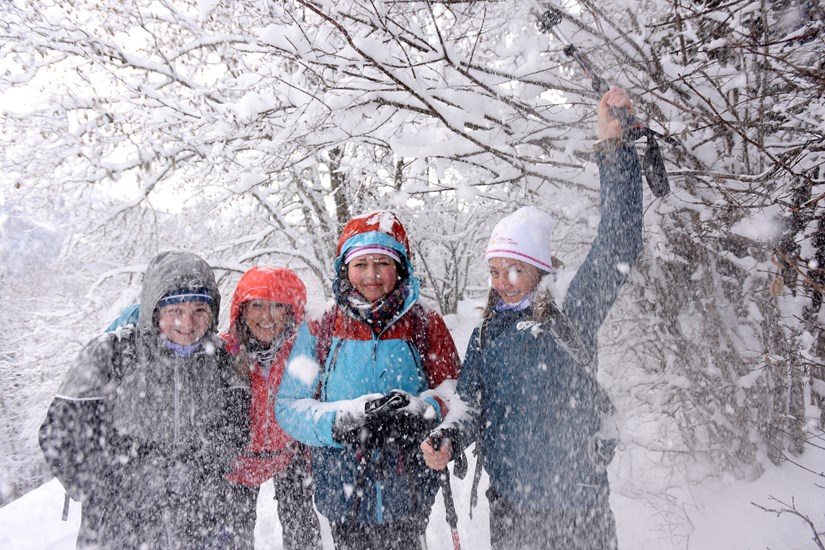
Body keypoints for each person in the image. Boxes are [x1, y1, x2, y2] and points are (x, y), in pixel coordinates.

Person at [420, 87, 645, 550]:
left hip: (577, 506)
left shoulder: (572, 312)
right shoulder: (487, 332)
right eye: (495, 271)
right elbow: (470, 404)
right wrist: (449, 436)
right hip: (510, 508)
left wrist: (615, 149)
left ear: (540, 270)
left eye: (515, 269)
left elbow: (619, 241)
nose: (502, 282)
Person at [275, 211, 462, 550]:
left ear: (400, 267)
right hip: (343, 493)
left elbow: (455, 391)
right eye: (360, 264)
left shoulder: (425, 322)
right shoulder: (319, 326)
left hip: (409, 490)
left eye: (382, 263)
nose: (371, 275)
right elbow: (289, 405)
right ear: (344, 268)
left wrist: (425, 410)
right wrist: (338, 423)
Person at [39, 251, 248, 549]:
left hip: (198, 523)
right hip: (120, 529)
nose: (187, 322)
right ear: (155, 310)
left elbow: (237, 427)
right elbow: (59, 433)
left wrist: (200, 471)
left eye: (199, 309)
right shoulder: (112, 354)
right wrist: (107, 489)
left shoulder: (221, 361)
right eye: (175, 309)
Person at [220, 266, 322, 549]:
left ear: (290, 311)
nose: (267, 316)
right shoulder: (222, 353)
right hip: (237, 466)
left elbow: (315, 399)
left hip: (289, 456)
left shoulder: (301, 353)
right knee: (233, 539)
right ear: (241, 310)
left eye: (277, 306)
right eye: (257, 305)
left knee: (303, 536)